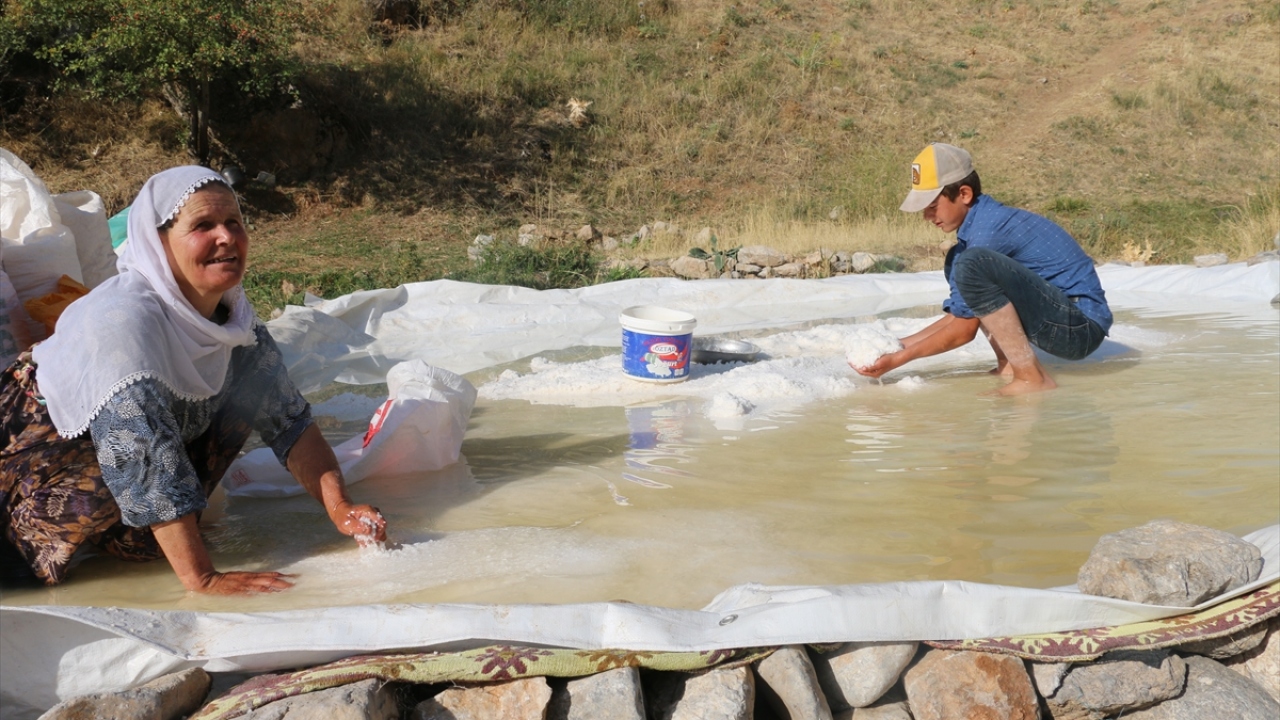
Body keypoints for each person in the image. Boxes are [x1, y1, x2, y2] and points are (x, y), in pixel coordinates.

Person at [0, 166, 386, 594]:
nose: (226, 237)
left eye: (234, 223)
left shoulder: (231, 323)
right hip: (27, 474)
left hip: (120, 471)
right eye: (203, 226)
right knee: (132, 464)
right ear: (159, 243)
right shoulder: (121, 322)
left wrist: (341, 507)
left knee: (247, 387)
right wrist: (203, 579)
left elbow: (291, 423)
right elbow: (141, 455)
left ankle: (137, 538)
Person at [853, 143, 1112, 395]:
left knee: (970, 265)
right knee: (960, 261)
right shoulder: (976, 234)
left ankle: (1032, 378)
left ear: (964, 194)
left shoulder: (989, 231)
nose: (927, 217)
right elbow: (962, 314)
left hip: (1080, 329)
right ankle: (1009, 364)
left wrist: (899, 360)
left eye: (932, 206)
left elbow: (963, 331)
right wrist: (896, 346)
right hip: (1061, 319)